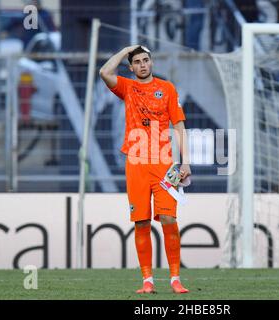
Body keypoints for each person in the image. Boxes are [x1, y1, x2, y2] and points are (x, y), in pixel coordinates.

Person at [99, 45, 191, 294]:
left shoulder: (167, 89)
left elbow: (180, 126)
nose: (142, 64)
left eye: (145, 60)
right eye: (137, 61)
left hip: (164, 164)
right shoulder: (127, 88)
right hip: (136, 164)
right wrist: (126, 49)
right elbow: (104, 72)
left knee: (170, 219)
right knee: (141, 222)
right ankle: (147, 281)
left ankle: (175, 279)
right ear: (131, 67)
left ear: (151, 62)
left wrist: (185, 161)